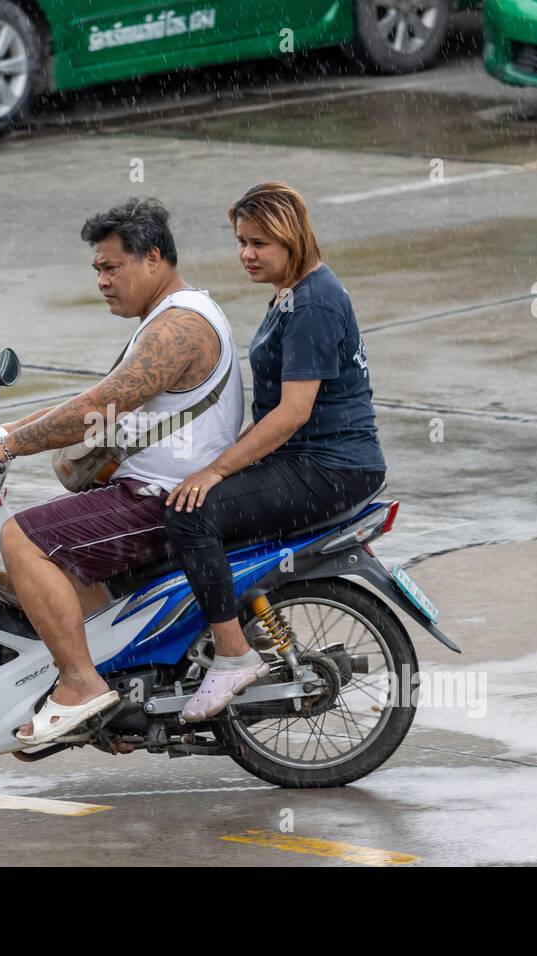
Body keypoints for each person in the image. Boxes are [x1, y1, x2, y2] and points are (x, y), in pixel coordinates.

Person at [0, 197, 244, 745]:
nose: (102, 281)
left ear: (153, 259)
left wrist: (12, 444)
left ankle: (80, 683)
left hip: (161, 499)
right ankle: (116, 696)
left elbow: (102, 407)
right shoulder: (167, 317)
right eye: (97, 269)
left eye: (112, 267)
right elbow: (98, 397)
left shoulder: (178, 329)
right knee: (43, 567)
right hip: (150, 489)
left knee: (21, 539)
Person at [163, 181, 387, 723]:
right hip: (314, 460)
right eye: (241, 240)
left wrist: (216, 469)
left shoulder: (312, 303)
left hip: (331, 466)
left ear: (292, 239)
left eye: (260, 242)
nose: (246, 253)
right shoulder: (297, 291)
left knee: (189, 514)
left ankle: (234, 655)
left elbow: (292, 413)